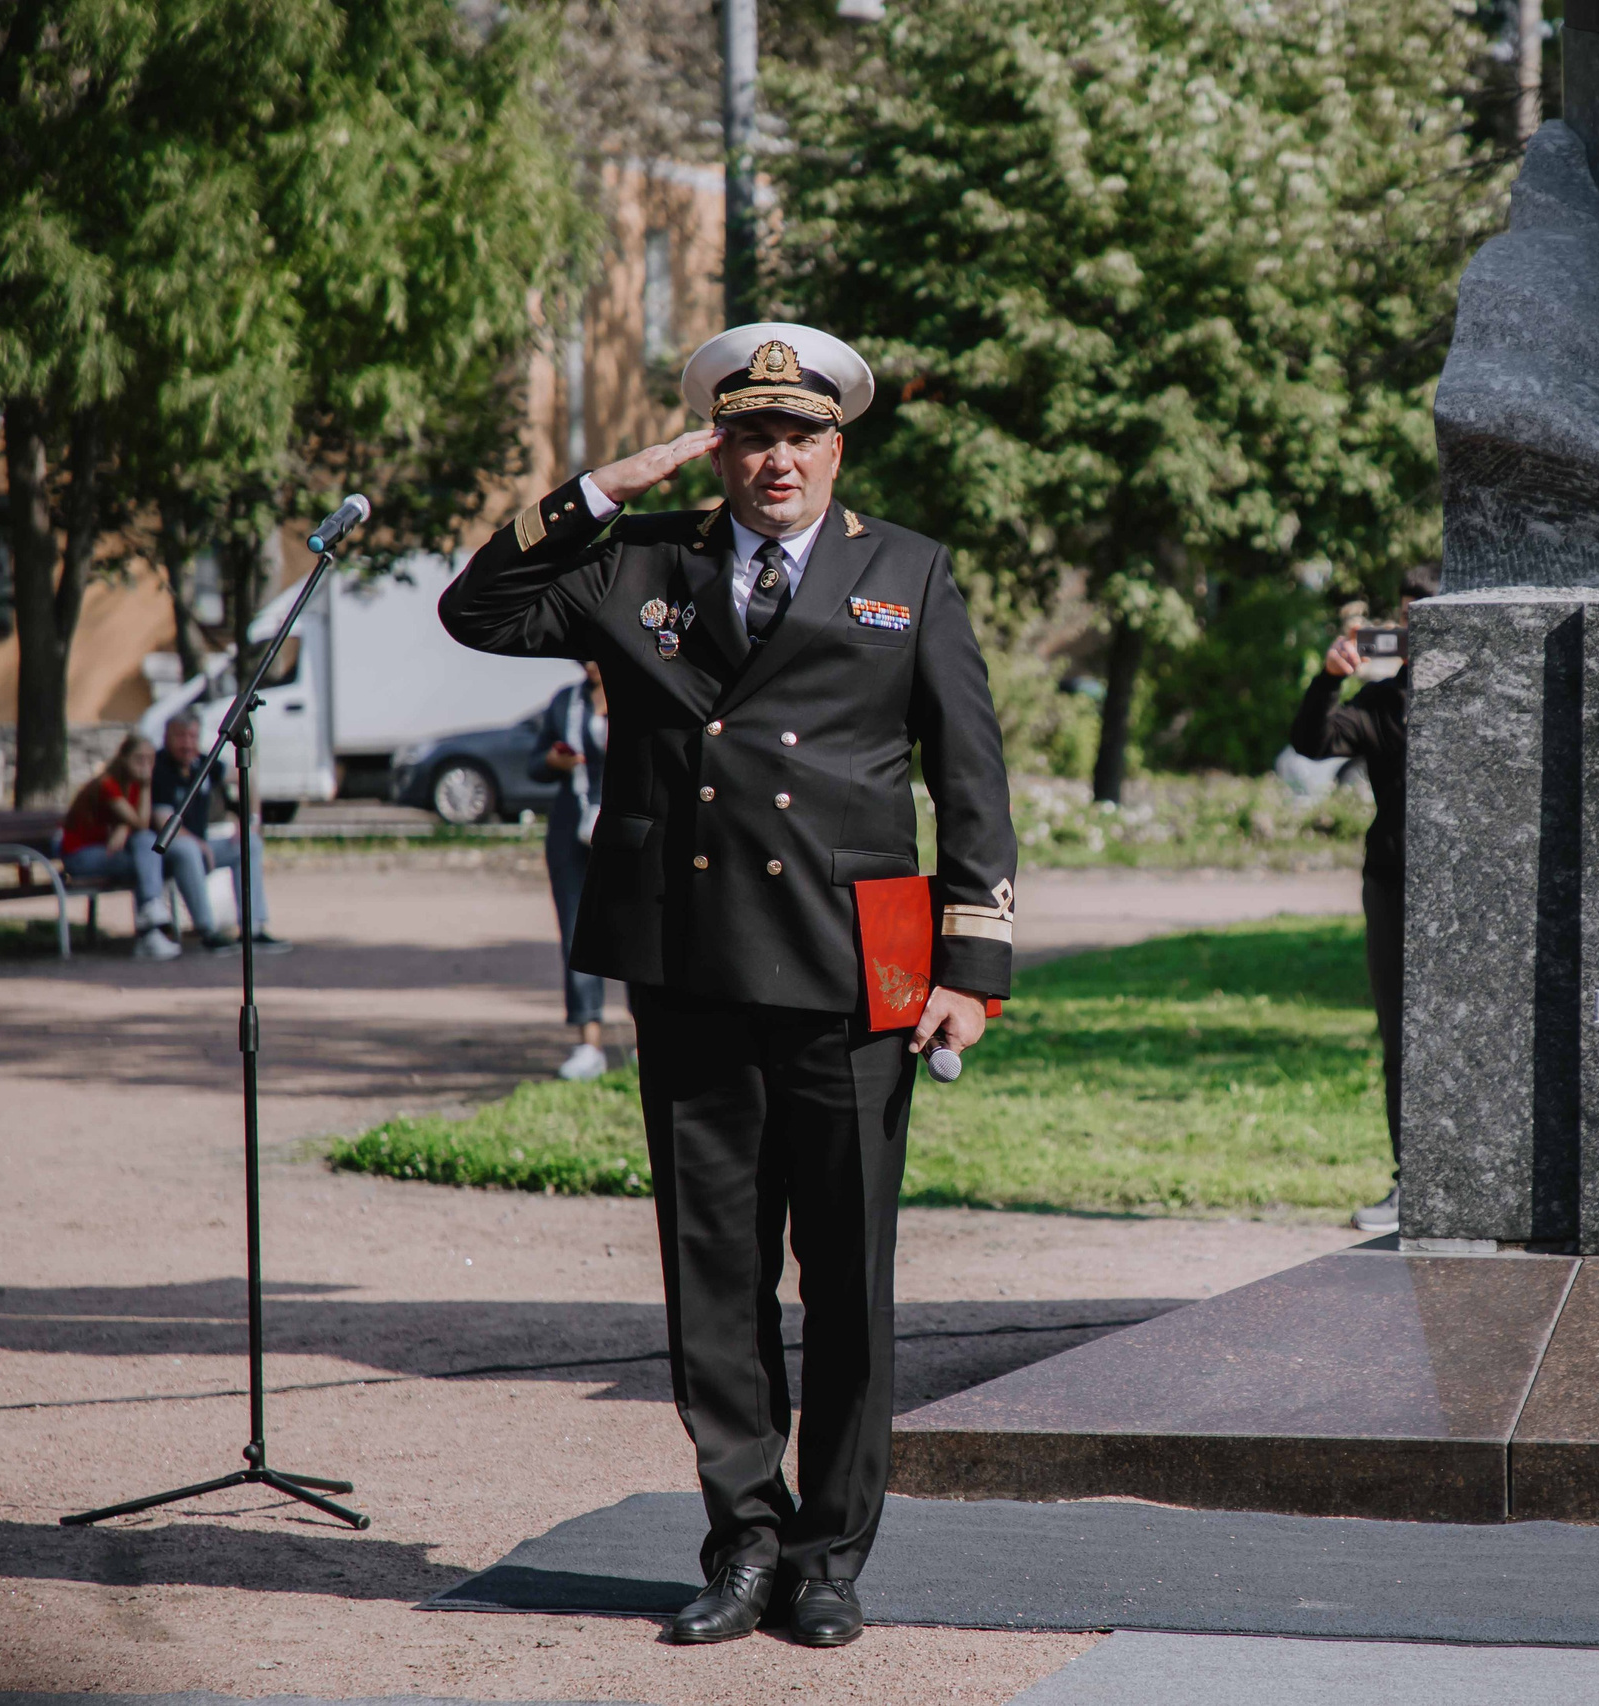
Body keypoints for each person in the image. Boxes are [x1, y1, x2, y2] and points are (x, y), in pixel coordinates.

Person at [440, 322, 1016, 1649]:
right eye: (751, 435)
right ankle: (744, 1540)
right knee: (715, 1271)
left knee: (848, 1279)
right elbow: (478, 610)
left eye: (800, 435)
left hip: (853, 968)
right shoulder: (641, 561)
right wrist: (605, 487)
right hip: (693, 959)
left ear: (836, 448)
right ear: (717, 448)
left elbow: (969, 777)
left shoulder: (907, 571)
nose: (777, 460)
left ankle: (830, 1556)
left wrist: (970, 967)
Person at [1290, 567, 1436, 1236]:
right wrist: (1328, 679)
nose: (1412, 629)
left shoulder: (1496, 696)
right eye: (1406, 618)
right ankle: (1415, 1183)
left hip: (1479, 898)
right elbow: (1312, 741)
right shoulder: (1383, 702)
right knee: (1401, 1037)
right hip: (1394, 887)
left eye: (1425, 615)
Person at [150, 712, 290, 955]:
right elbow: (163, 822)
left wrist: (249, 821)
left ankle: (253, 929)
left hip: (202, 848)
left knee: (249, 843)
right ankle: (207, 931)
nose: (187, 744)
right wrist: (200, 844)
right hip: (163, 852)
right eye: (180, 736)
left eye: (192, 736)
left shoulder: (202, 763)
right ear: (167, 737)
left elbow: (246, 776)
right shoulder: (159, 768)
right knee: (188, 849)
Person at [533, 661, 613, 1080]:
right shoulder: (567, 701)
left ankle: (648, 1040)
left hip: (626, 827)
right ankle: (589, 1043)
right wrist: (552, 761)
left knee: (639, 932)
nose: (591, 663)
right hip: (572, 828)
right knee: (577, 934)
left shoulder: (639, 690)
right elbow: (534, 764)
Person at [60, 735, 184, 962]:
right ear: (123, 758)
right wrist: (130, 820)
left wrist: (124, 827)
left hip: (109, 852)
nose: (145, 766)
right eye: (139, 759)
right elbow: (141, 823)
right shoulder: (108, 784)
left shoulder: (135, 785)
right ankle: (151, 923)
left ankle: (150, 926)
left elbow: (139, 825)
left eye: (150, 759)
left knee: (146, 855)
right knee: (147, 861)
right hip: (81, 856)